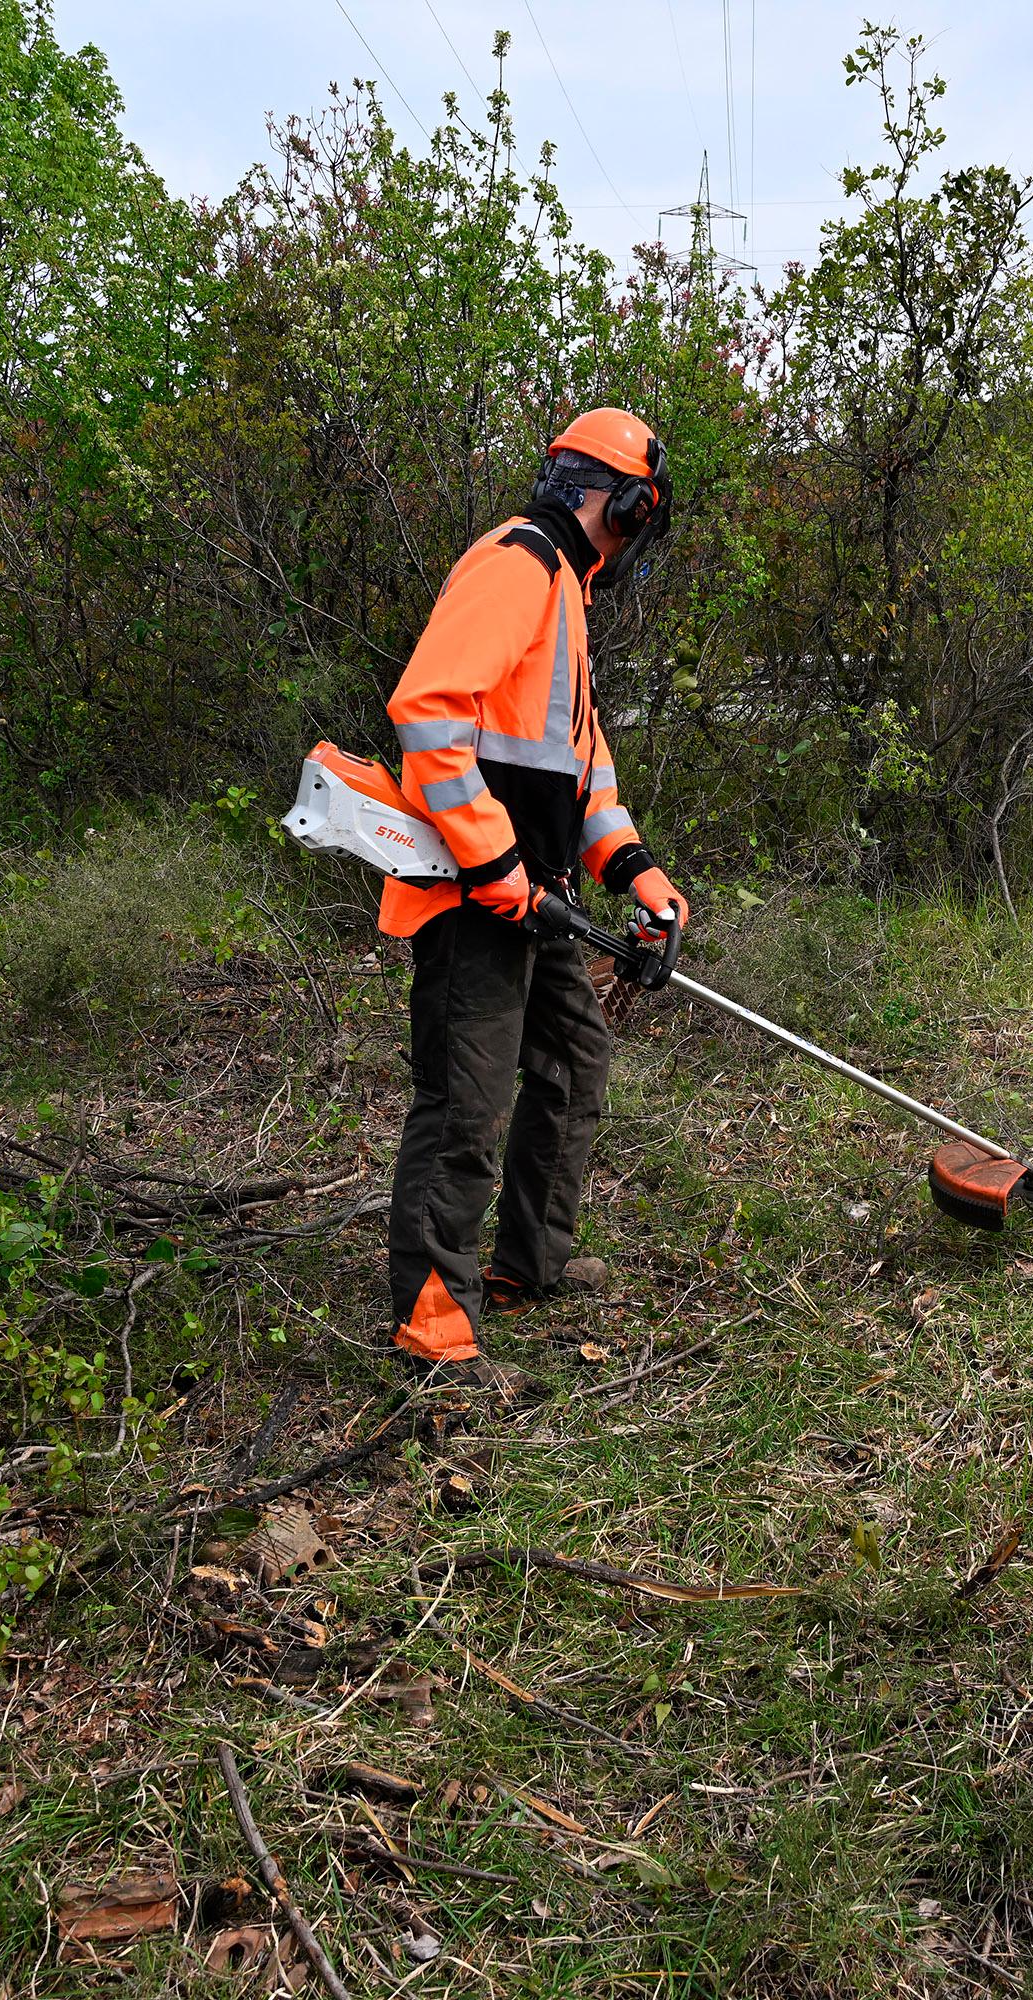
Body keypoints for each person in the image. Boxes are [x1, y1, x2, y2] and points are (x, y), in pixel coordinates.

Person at [374, 409, 689, 1391]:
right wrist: (489, 857)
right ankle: (433, 1318)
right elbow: (427, 710)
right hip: (477, 901)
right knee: (466, 1101)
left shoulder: (565, 598)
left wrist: (640, 876)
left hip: (535, 894)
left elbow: (582, 772)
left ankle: (526, 1266)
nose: (637, 535)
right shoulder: (517, 564)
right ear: (622, 503)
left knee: (572, 1060)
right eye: (639, 513)